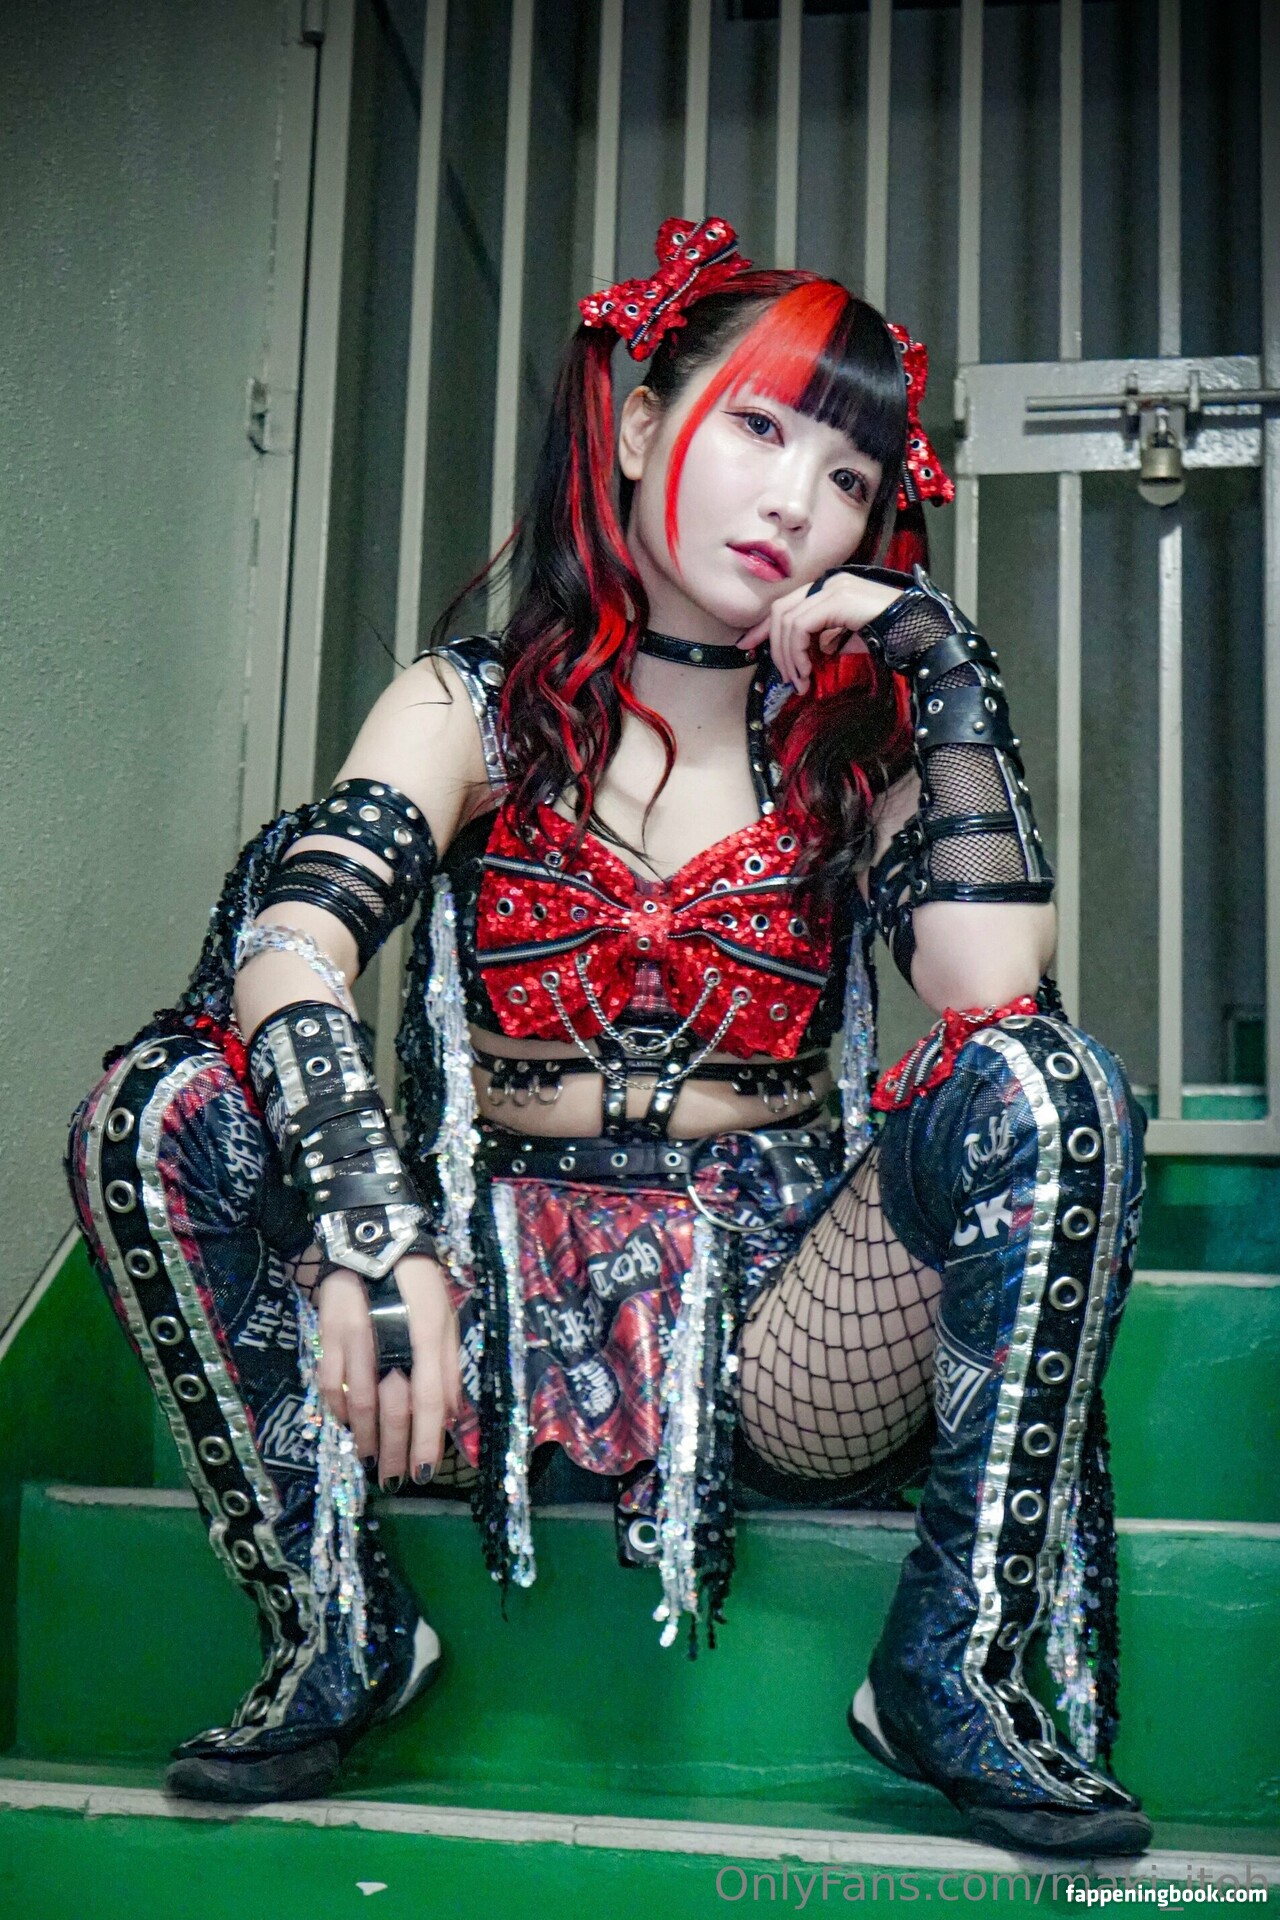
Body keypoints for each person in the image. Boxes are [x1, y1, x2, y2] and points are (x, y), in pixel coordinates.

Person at [66, 216, 1150, 1856]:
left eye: (851, 477)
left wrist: (939, 666)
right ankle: (332, 1622)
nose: (796, 500)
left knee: (1049, 1085)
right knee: (153, 1105)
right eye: (759, 428)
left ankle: (951, 1669)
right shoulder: (473, 708)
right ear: (641, 426)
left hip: (786, 1332)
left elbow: (993, 988)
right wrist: (368, 1218)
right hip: (467, 1321)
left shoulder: (858, 748)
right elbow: (293, 945)